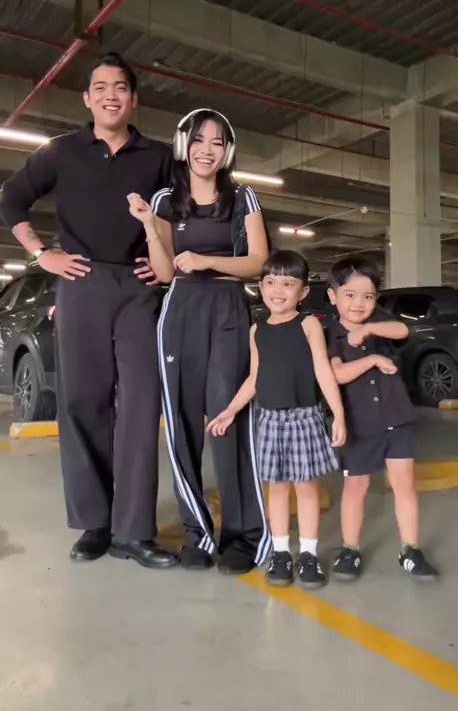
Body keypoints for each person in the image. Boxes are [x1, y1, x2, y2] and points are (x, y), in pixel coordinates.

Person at [0, 52, 178, 570]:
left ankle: (134, 532)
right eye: (100, 87)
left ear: (133, 98)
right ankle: (95, 524)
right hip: (80, 283)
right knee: (82, 402)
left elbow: (182, 214)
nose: (110, 96)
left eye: (119, 87)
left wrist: (162, 259)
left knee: (141, 405)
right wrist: (41, 254)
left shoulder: (159, 156)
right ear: (87, 98)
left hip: (139, 289)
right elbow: (10, 200)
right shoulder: (60, 152)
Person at [128, 108, 271, 575]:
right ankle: (197, 533)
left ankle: (243, 536)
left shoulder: (243, 196)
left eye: (217, 142)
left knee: (230, 420)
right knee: (183, 423)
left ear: (227, 150)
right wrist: (149, 226)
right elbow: (164, 272)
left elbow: (258, 261)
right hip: (181, 312)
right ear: (183, 145)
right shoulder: (166, 200)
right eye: (198, 140)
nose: (206, 150)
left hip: (228, 311)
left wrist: (209, 262)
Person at [207, 250, 346, 588]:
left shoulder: (308, 325)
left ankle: (308, 555)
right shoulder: (257, 331)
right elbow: (255, 378)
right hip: (269, 420)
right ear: (261, 287)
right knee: (278, 489)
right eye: (270, 282)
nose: (277, 290)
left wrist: (339, 414)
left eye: (288, 283)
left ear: (302, 292)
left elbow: (323, 370)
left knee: (307, 490)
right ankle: (281, 552)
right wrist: (230, 410)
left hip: (304, 418)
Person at [326, 256, 438, 581]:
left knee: (405, 485)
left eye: (368, 296)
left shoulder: (379, 322)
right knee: (356, 486)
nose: (358, 303)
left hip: (396, 417)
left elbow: (402, 330)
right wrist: (373, 359)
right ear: (333, 296)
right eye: (349, 294)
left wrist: (370, 329)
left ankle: (410, 549)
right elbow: (338, 374)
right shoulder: (330, 335)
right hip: (359, 423)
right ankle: (350, 549)